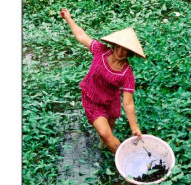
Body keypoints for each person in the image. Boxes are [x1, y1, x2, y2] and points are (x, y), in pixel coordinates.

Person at [59, 8, 146, 153]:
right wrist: (68, 18)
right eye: (118, 46)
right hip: (92, 98)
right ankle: (126, 161)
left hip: (111, 102)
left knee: (108, 132)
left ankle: (104, 146)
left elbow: (128, 103)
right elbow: (82, 36)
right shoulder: (101, 50)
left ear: (129, 53)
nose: (120, 51)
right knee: (106, 134)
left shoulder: (127, 73)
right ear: (114, 45)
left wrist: (134, 126)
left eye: (125, 49)